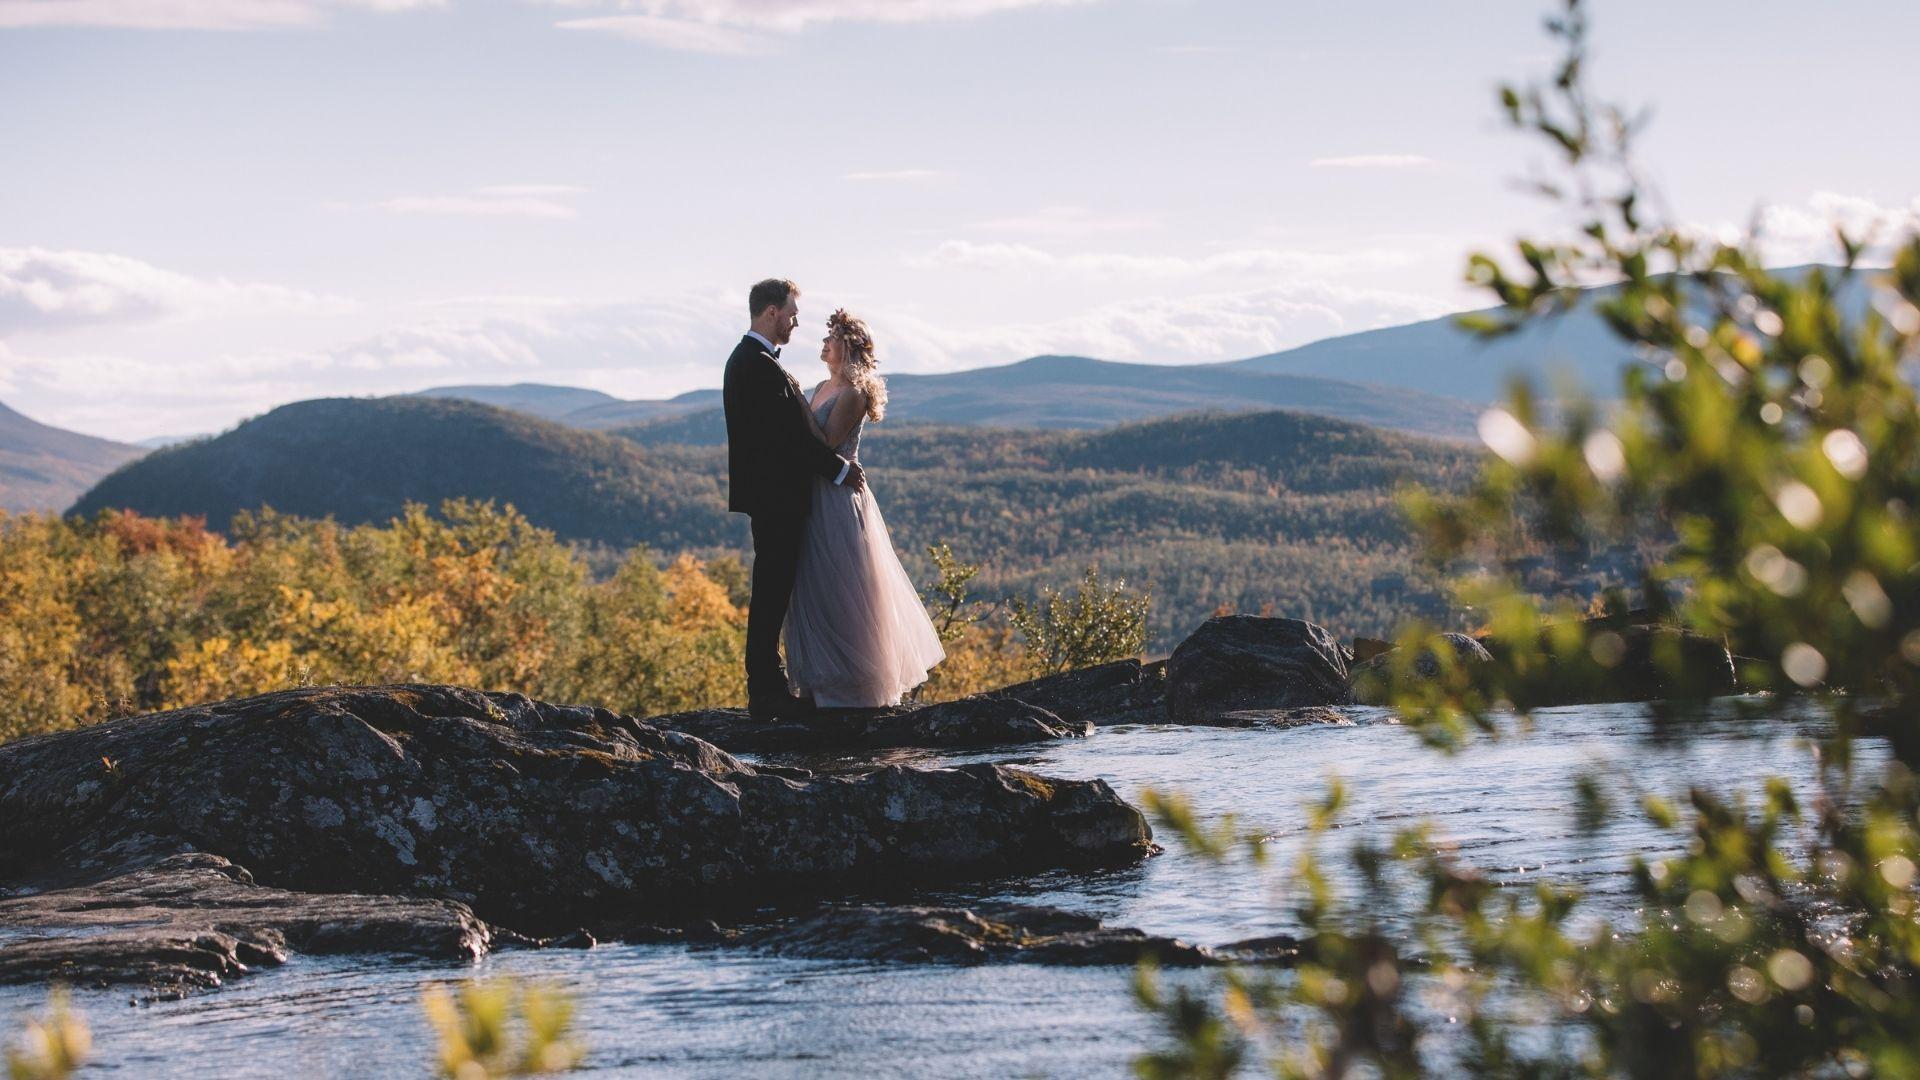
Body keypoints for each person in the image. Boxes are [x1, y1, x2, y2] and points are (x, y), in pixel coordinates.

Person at [782, 308, 945, 707]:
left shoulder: (854, 392)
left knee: (843, 584)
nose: (823, 343)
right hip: (813, 492)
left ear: (848, 346)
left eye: (831, 336)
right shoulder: (822, 385)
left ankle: (852, 688)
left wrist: (794, 403)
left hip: (837, 498)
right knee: (813, 583)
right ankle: (820, 684)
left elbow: (824, 440)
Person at [722, 278, 864, 721]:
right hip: (775, 497)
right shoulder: (758, 364)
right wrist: (839, 470)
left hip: (773, 496)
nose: (796, 321)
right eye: (791, 313)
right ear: (770, 313)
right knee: (771, 593)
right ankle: (766, 690)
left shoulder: (753, 361)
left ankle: (771, 685)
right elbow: (786, 440)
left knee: (776, 591)